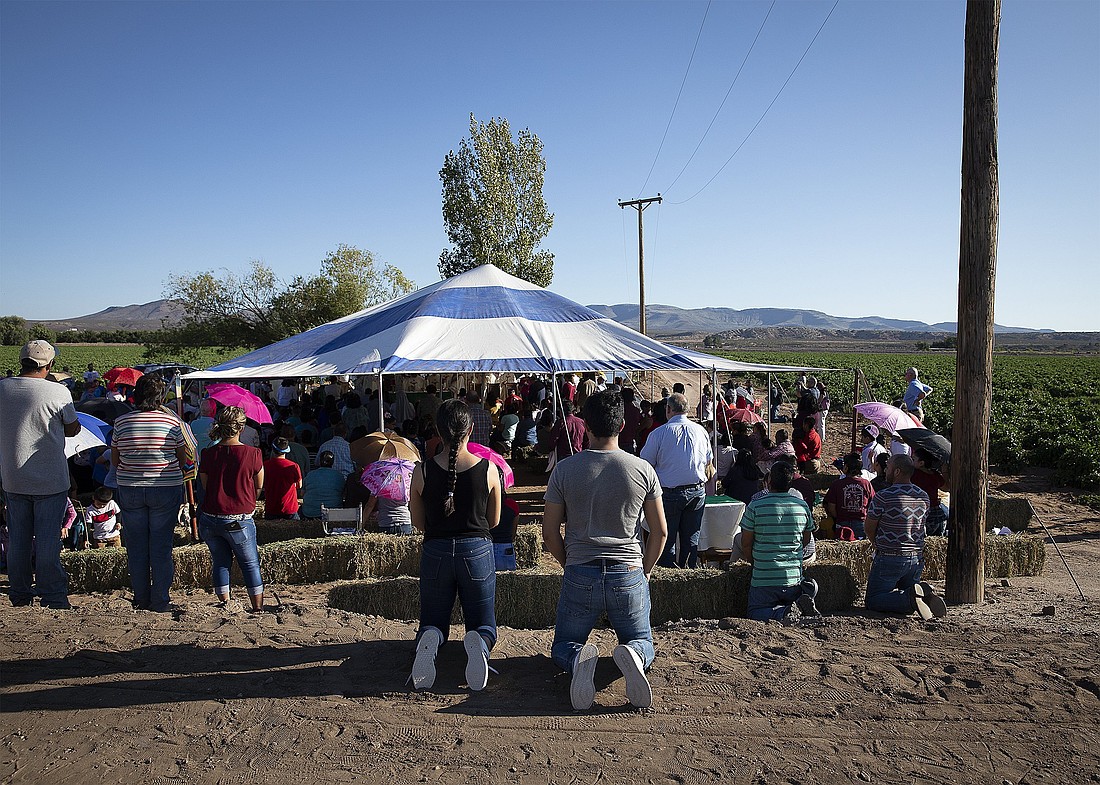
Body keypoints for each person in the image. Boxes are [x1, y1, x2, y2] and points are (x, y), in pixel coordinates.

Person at [543, 389, 668, 710]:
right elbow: (661, 532)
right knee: (642, 640)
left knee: (563, 647)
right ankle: (635, 656)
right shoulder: (642, 470)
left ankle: (578, 659)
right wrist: (646, 569)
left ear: (585, 425)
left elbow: (549, 532)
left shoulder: (565, 470)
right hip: (627, 571)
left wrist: (568, 562)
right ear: (623, 424)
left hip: (581, 570)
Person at [408, 399, 502, 692]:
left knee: (433, 618)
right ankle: (478, 642)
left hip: (436, 550)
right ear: (471, 430)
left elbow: (419, 523)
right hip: (476, 549)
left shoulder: (421, 471)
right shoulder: (488, 468)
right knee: (483, 622)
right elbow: (494, 520)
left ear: (437, 430)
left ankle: (431, 638)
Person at [0, 341, 81, 609]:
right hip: (50, 478)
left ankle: (20, 594)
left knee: (18, 541)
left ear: (21, 360)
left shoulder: (2, 388)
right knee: (48, 542)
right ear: (50, 365)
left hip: (13, 476)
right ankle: (53, 596)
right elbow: (72, 429)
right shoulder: (58, 392)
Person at [113, 374, 196, 612]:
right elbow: (183, 459)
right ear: (161, 397)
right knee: (161, 547)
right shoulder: (173, 424)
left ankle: (140, 597)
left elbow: (116, 461)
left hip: (130, 488)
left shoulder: (121, 422)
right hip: (165, 488)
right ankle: (160, 600)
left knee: (137, 547)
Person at [199, 406, 265, 612]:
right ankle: (257, 608)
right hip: (238, 518)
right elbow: (259, 485)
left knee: (220, 562)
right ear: (241, 428)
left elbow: (205, 484)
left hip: (210, 517)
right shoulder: (253, 453)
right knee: (250, 564)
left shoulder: (208, 453)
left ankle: (225, 604)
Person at [864, 454, 947, 619]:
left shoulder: (883, 496)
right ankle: (917, 596)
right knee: (907, 591)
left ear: (897, 472)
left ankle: (909, 599)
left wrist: (875, 543)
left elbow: (869, 527)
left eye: (888, 467)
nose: (885, 470)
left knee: (873, 600)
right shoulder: (923, 496)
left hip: (890, 557)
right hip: (915, 558)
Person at [740, 462, 819, 621]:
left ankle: (783, 613)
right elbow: (806, 540)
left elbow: (746, 543)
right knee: (803, 588)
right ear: (790, 484)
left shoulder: (755, 505)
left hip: (763, 579)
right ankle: (798, 602)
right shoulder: (802, 506)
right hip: (793, 579)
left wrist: (754, 562)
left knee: (755, 613)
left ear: (769, 482)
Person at [640, 392, 712, 569]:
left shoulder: (659, 434)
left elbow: (645, 464)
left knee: (667, 538)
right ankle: (688, 574)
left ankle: (669, 575)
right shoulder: (701, 431)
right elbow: (709, 461)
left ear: (668, 409)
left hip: (670, 492)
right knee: (690, 539)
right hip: (696, 490)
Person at [824, 453, 876, 540]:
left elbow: (831, 506)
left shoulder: (837, 484)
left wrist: (837, 517)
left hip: (842, 522)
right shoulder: (866, 484)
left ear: (846, 468)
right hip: (861, 522)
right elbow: (873, 504)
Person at [263, 438, 303, 519]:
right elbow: (299, 485)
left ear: (273, 450)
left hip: (271, 508)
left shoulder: (265, 465)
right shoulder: (294, 466)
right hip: (290, 508)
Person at [300, 451, 345, 518]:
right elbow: (343, 494)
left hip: (310, 513)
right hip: (333, 513)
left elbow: (302, 494)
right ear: (332, 462)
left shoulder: (310, 475)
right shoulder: (339, 476)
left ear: (319, 461)